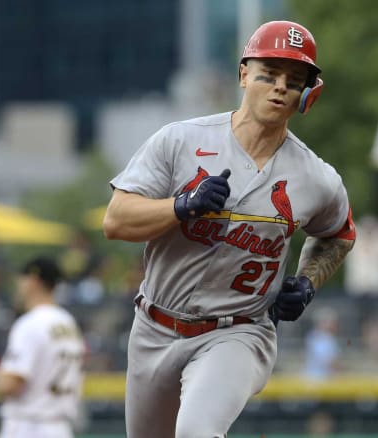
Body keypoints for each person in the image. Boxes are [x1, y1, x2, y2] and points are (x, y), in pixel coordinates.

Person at [103, 20, 356, 438]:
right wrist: (181, 206)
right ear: (243, 74)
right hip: (154, 327)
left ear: (308, 94)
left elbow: (340, 234)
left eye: (294, 81)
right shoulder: (181, 141)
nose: (279, 87)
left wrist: (309, 281)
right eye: (268, 74)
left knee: (197, 431)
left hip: (238, 331)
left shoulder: (316, 177)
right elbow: (116, 220)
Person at [0, 257, 85, 438]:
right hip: (60, 428)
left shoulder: (30, 323)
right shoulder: (69, 323)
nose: (18, 286)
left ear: (32, 281)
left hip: (28, 426)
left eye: (21, 280)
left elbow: (11, 384)